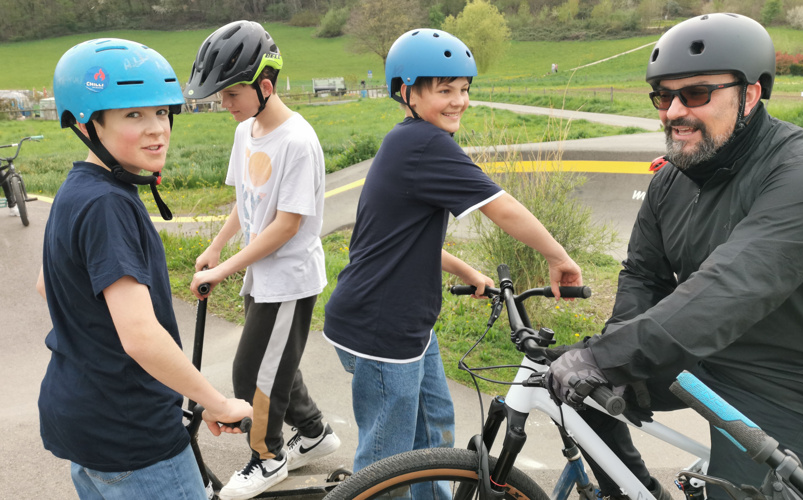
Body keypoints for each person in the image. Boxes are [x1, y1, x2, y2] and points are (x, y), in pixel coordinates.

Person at [544, 13, 803, 500]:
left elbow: (729, 289)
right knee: (572, 389)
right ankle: (636, 491)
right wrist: (610, 359)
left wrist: (610, 355)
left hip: (793, 385)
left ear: (751, 94)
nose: (674, 111)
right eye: (663, 96)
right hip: (707, 357)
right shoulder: (671, 178)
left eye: (695, 94)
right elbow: (643, 276)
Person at [322, 28, 584, 491]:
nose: (459, 100)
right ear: (406, 93)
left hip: (404, 325)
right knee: (388, 460)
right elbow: (499, 206)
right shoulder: (424, 144)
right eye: (444, 90)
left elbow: (395, 238)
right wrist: (557, 255)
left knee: (435, 429)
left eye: (464, 89)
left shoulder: (406, 142)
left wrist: (466, 270)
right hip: (382, 330)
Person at [37, 38, 253, 500]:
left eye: (161, 112)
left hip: (80, 417)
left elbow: (47, 286)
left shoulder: (77, 188)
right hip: (130, 433)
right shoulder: (108, 206)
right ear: (86, 123)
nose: (157, 129)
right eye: (133, 115)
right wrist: (214, 403)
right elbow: (140, 336)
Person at [183, 20, 340, 500]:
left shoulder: (297, 141)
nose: (223, 104)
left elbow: (286, 225)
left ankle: (268, 459)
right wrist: (216, 246)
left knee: (251, 374)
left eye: (231, 94)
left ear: (265, 86)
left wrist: (224, 269)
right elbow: (247, 202)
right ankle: (314, 433)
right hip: (261, 274)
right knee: (278, 364)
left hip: (290, 278)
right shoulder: (247, 132)